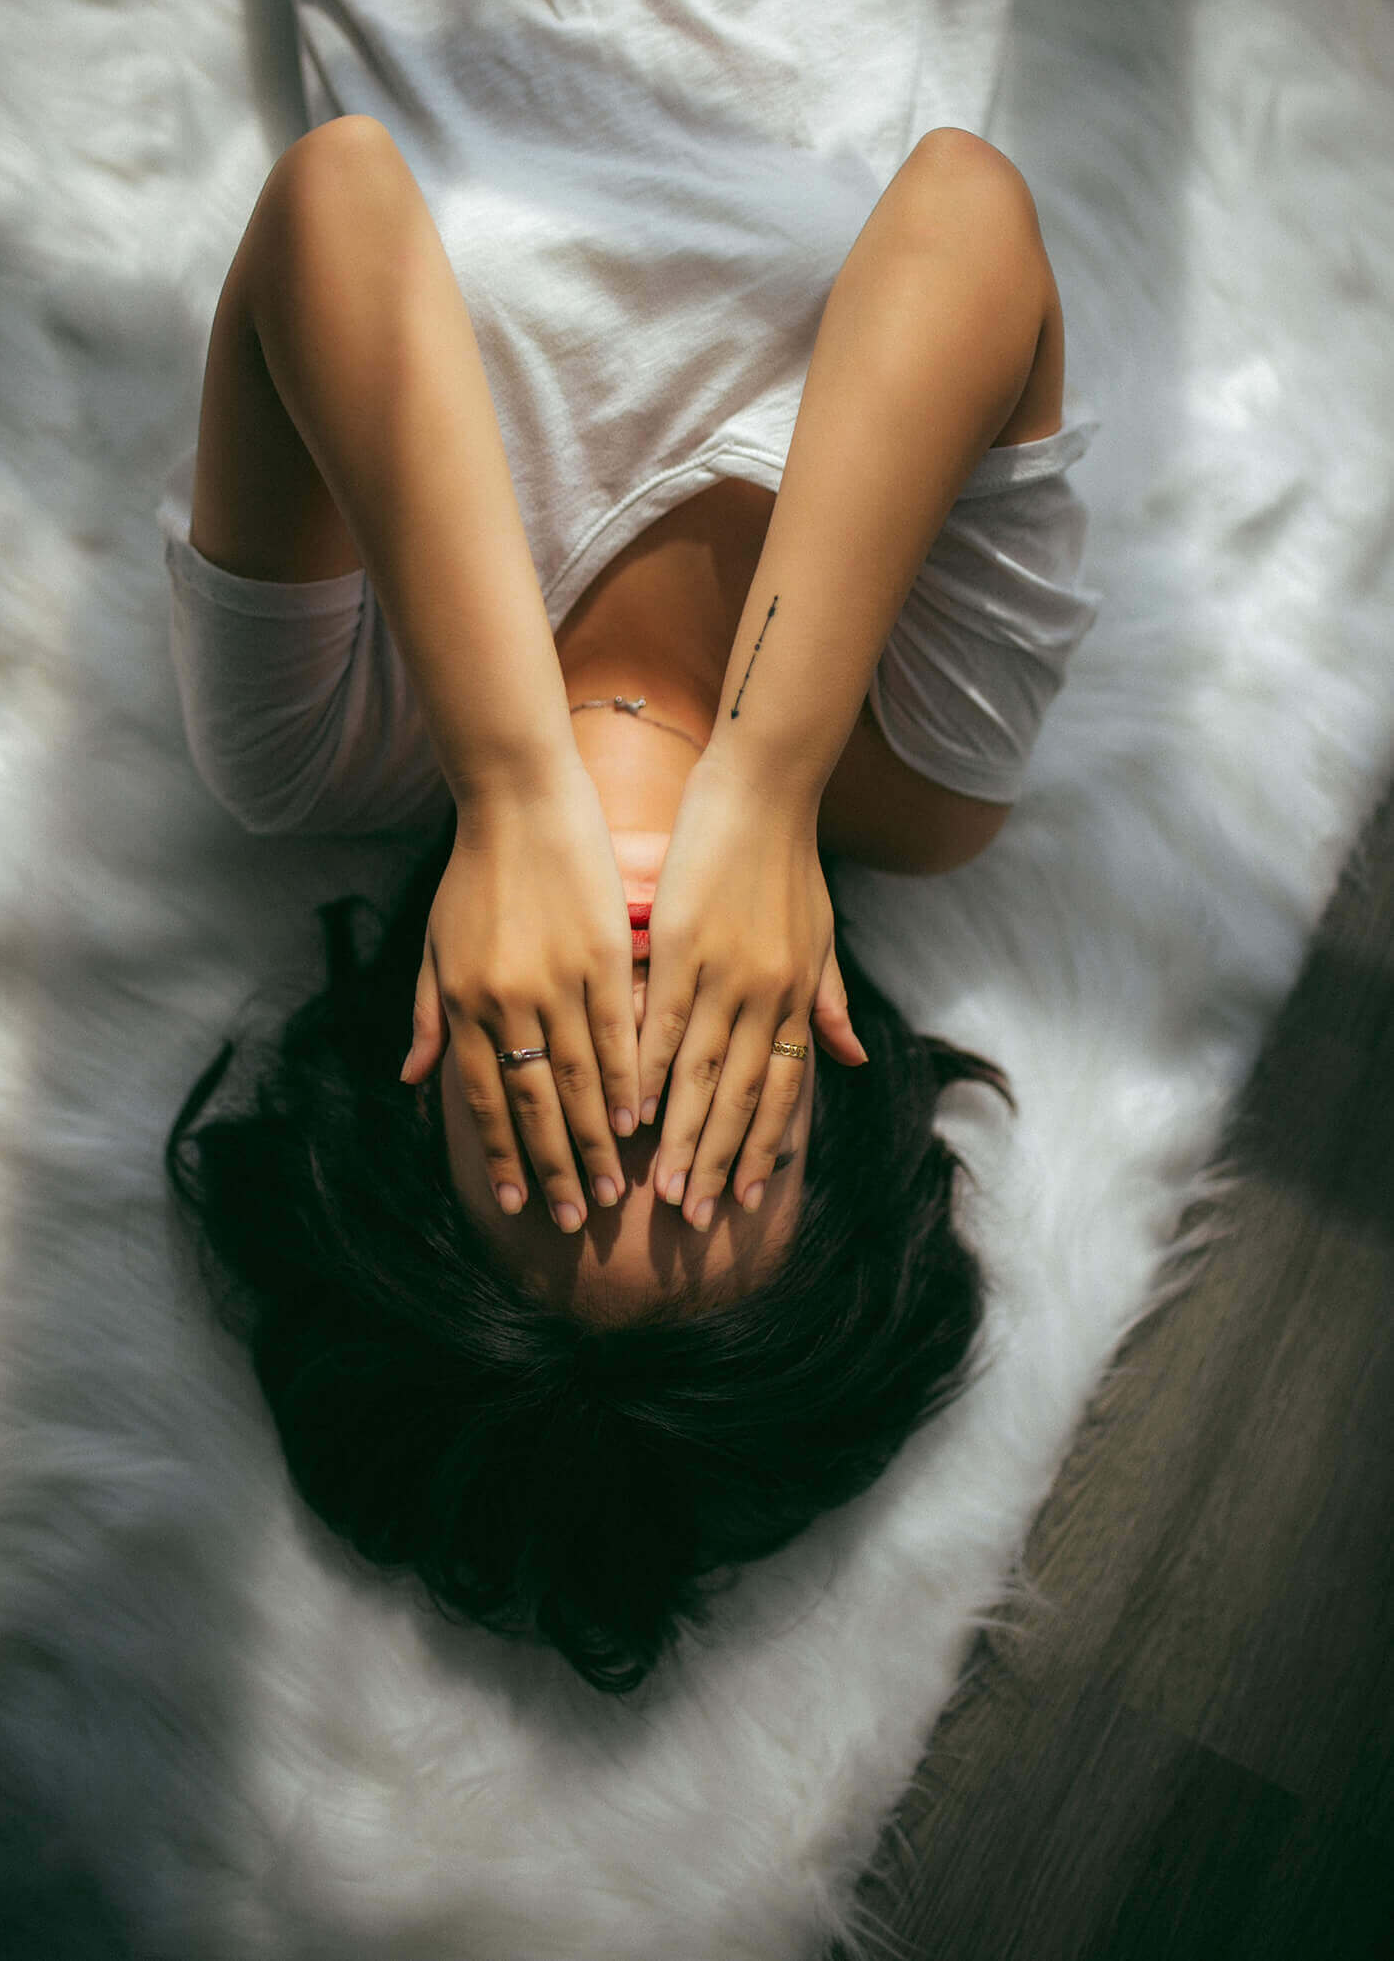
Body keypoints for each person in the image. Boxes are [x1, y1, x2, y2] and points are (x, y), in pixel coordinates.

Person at [161, 117, 1098, 1692]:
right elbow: (966, 209)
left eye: (564, 1140)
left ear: (421, 1080)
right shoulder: (928, 778)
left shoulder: (313, 738)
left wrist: (516, 779)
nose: (641, 1044)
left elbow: (335, 197)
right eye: (718, 1128)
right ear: (831, 1073)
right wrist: (771, 768)